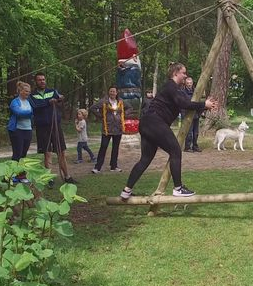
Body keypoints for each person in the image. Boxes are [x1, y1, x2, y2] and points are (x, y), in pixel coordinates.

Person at [120, 63, 218, 200]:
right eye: (183, 73)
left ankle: (126, 191)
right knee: (176, 151)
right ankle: (178, 188)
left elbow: (186, 105)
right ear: (175, 73)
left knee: (145, 159)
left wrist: (205, 106)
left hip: (147, 123)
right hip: (155, 122)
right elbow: (184, 104)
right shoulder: (171, 86)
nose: (185, 75)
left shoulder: (175, 89)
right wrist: (204, 104)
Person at [31, 73, 76, 184]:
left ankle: (67, 176)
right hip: (42, 127)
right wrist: (48, 102)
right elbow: (35, 106)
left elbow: (60, 99)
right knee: (47, 153)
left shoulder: (52, 91)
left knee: (61, 151)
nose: (42, 81)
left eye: (43, 79)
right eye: (39, 80)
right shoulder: (32, 95)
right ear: (36, 82)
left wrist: (60, 99)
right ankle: (49, 178)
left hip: (55, 126)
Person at [92, 86, 124, 174]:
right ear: (109, 92)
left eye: (114, 91)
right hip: (107, 129)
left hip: (118, 128)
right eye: (111, 91)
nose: (112, 93)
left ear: (117, 93)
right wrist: (101, 116)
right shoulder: (104, 101)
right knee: (103, 147)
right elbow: (93, 108)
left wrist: (123, 116)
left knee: (115, 148)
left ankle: (114, 166)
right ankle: (97, 167)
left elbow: (129, 108)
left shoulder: (120, 101)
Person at [7, 81, 34, 174]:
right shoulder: (14, 102)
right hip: (17, 131)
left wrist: (28, 114)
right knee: (17, 154)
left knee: (23, 154)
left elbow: (31, 113)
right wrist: (30, 113)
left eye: (29, 91)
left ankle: (21, 175)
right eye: (26, 91)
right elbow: (18, 113)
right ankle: (12, 175)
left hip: (28, 130)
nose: (28, 93)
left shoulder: (29, 102)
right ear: (20, 91)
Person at [182, 76, 202, 152]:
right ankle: (187, 147)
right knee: (189, 132)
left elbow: (199, 102)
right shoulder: (183, 92)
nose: (189, 84)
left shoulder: (196, 91)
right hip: (187, 114)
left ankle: (195, 146)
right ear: (185, 83)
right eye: (188, 83)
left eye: (190, 83)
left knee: (196, 132)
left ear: (192, 83)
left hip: (196, 114)